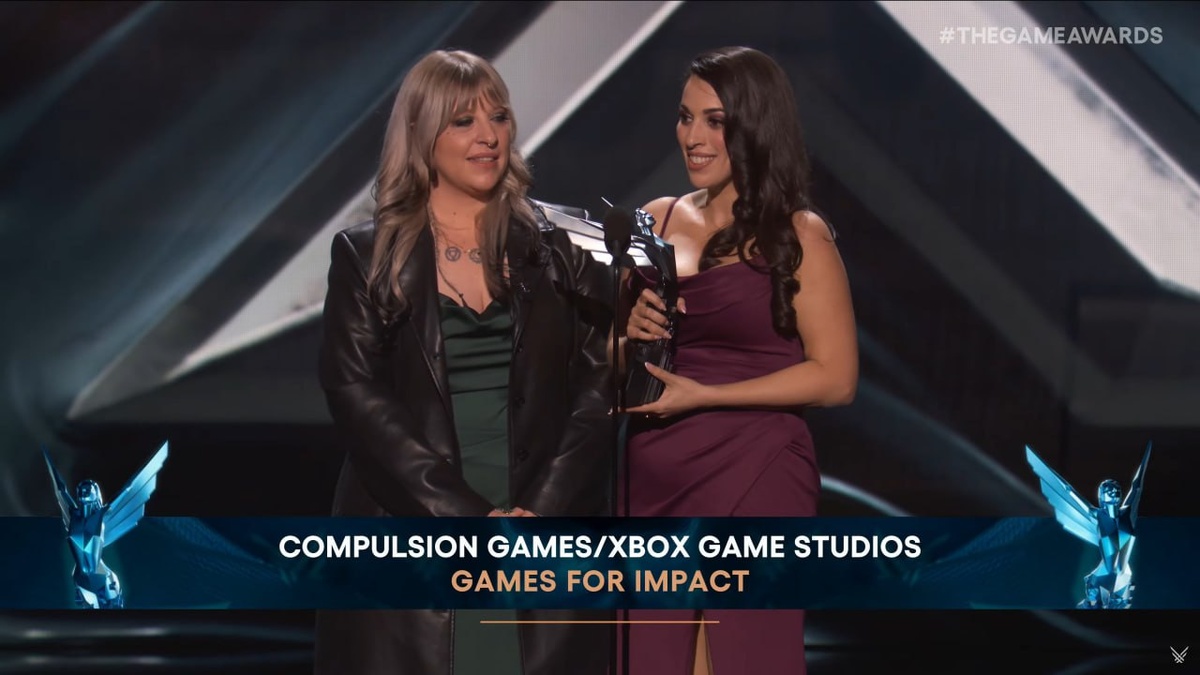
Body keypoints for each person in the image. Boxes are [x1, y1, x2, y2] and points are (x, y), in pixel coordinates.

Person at [314, 49, 612, 675]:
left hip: (541, 519)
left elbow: (599, 382)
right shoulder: (368, 255)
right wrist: (471, 521)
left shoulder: (563, 246)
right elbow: (355, 393)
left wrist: (539, 513)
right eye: (463, 121)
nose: (488, 137)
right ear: (422, 134)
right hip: (417, 522)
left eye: (498, 118)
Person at [620, 46, 859, 674]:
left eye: (715, 121)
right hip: (654, 475)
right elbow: (605, 356)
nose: (692, 137)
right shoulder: (653, 221)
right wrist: (626, 335)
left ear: (754, 126)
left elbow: (836, 378)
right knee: (650, 656)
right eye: (685, 117)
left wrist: (707, 396)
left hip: (757, 467)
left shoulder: (800, 234)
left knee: (742, 654)